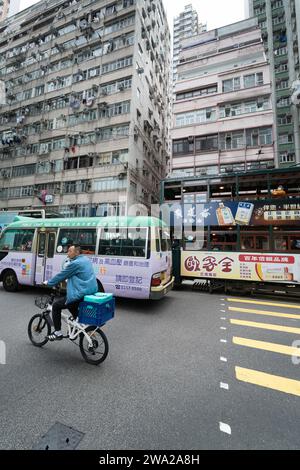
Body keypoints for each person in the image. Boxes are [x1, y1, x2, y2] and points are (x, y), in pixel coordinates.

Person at [44, 244, 98, 341]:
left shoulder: (75, 264)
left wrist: (49, 282)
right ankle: (78, 323)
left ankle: (57, 333)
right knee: (70, 305)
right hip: (90, 291)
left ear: (76, 252)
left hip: (81, 293)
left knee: (56, 306)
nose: (67, 253)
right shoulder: (85, 259)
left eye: (69, 251)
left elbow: (62, 275)